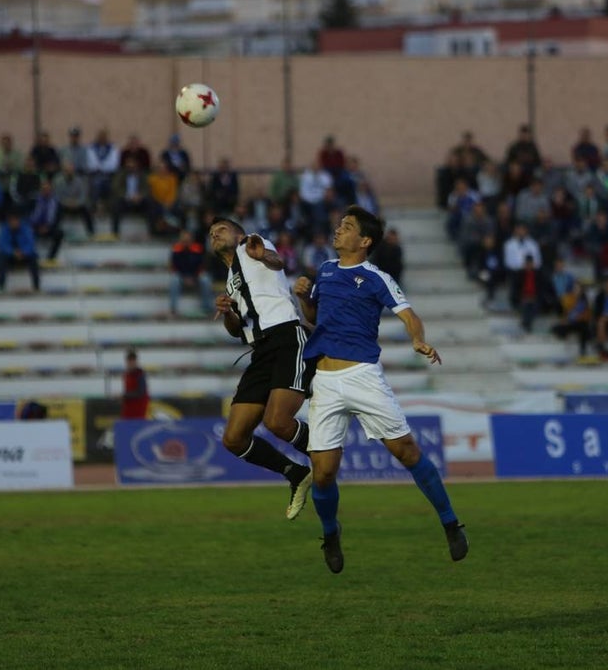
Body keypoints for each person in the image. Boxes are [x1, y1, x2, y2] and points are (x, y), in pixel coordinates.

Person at [293, 206, 467, 574]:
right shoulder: (324, 271)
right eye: (340, 224)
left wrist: (418, 340)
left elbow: (408, 314)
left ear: (365, 240)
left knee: (406, 451)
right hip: (324, 380)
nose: (338, 230)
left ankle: (450, 522)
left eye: (348, 227)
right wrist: (303, 297)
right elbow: (313, 319)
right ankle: (331, 533)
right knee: (323, 473)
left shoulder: (375, 277)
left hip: (362, 376)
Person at [209, 216, 313, 519]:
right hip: (260, 351)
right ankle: (295, 473)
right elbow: (234, 330)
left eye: (221, 229)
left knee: (277, 422)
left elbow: (276, 261)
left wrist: (262, 254)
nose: (215, 233)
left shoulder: (250, 244)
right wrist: (227, 311)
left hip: (286, 337)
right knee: (233, 439)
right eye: (211, 233)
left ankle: (324, 452)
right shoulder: (231, 279)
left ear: (239, 233)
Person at [169, 229, 214, 316]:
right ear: (180, 240)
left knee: (205, 279)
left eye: (187, 240)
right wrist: (185, 278)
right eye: (184, 240)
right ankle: (173, 308)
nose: (186, 242)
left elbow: (202, 265)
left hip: (196, 276)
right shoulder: (176, 249)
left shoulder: (198, 248)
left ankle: (207, 307)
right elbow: (174, 267)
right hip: (182, 277)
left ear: (191, 240)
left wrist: (194, 276)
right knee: (174, 279)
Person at [0, 212, 40, 292]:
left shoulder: (26, 229)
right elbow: (2, 245)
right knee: (1, 259)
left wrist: (23, 252)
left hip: (24, 255)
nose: (14, 223)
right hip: (10, 256)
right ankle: (0, 287)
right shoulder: (4, 230)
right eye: (11, 221)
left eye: (15, 221)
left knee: (34, 258)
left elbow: (31, 244)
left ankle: (36, 286)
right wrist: (13, 252)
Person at [121, 349, 150, 420]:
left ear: (136, 361)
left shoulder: (140, 374)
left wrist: (124, 395)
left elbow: (141, 393)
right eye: (129, 361)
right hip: (128, 409)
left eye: (133, 361)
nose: (131, 363)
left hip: (138, 409)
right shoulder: (126, 375)